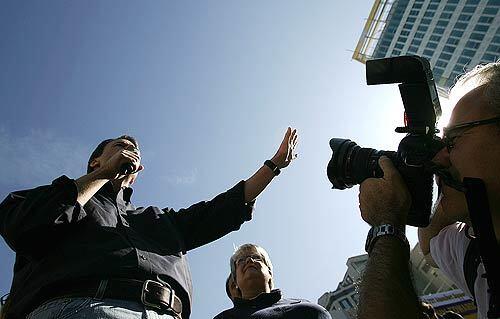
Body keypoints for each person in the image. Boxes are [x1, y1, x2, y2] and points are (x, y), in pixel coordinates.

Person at [0, 127, 298, 319]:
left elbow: (219, 210)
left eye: (134, 152)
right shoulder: (55, 197)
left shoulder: (158, 219)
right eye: (120, 146)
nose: (130, 151)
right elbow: (22, 226)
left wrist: (273, 166)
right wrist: (103, 175)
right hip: (77, 310)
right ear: (95, 161)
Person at [357, 61, 500, 319]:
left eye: (453, 140)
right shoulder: (479, 263)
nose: (439, 157)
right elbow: (429, 244)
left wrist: (387, 220)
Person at [213, 243, 332, 319]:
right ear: (235, 281)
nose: (249, 260)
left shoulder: (302, 304)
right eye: (241, 261)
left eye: (256, 257)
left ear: (270, 273)